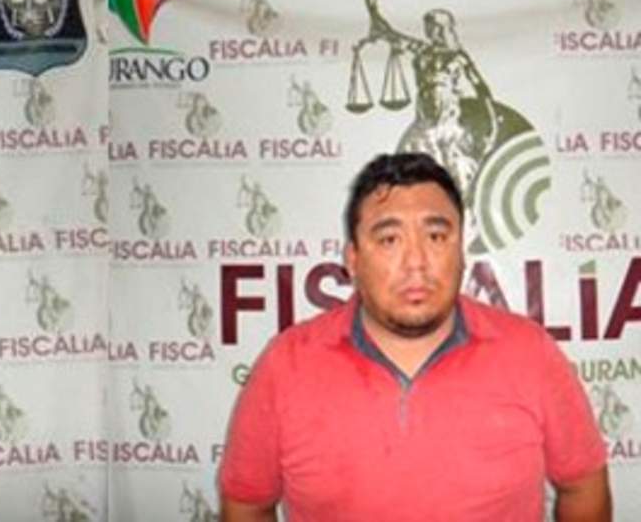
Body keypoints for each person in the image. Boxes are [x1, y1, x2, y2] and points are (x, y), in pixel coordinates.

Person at [219, 153, 611, 521]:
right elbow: (247, 505)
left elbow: (583, 487)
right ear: (352, 259)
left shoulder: (530, 354)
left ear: (461, 251)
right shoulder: (287, 366)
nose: (416, 262)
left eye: (436, 237)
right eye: (389, 240)